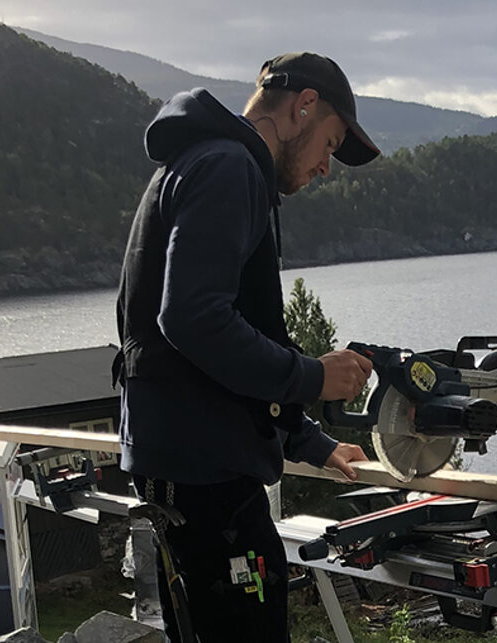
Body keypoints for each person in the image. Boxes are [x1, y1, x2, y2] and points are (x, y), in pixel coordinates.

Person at [113, 52, 380, 641]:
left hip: (181, 467)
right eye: (330, 145)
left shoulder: (204, 162)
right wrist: (313, 376)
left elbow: (222, 345)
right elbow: (192, 319)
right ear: (301, 107)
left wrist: (312, 443)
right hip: (209, 481)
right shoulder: (230, 168)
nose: (325, 167)